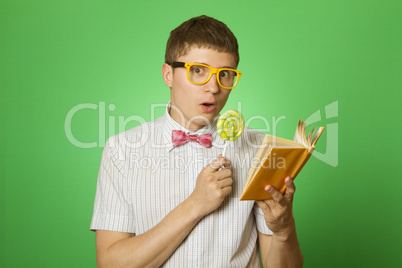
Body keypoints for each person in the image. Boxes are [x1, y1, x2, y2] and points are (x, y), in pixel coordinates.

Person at [90, 15, 304, 267]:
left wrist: (283, 229)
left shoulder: (261, 151)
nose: (213, 87)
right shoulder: (121, 150)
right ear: (168, 74)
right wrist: (195, 205)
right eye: (198, 71)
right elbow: (110, 264)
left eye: (225, 74)